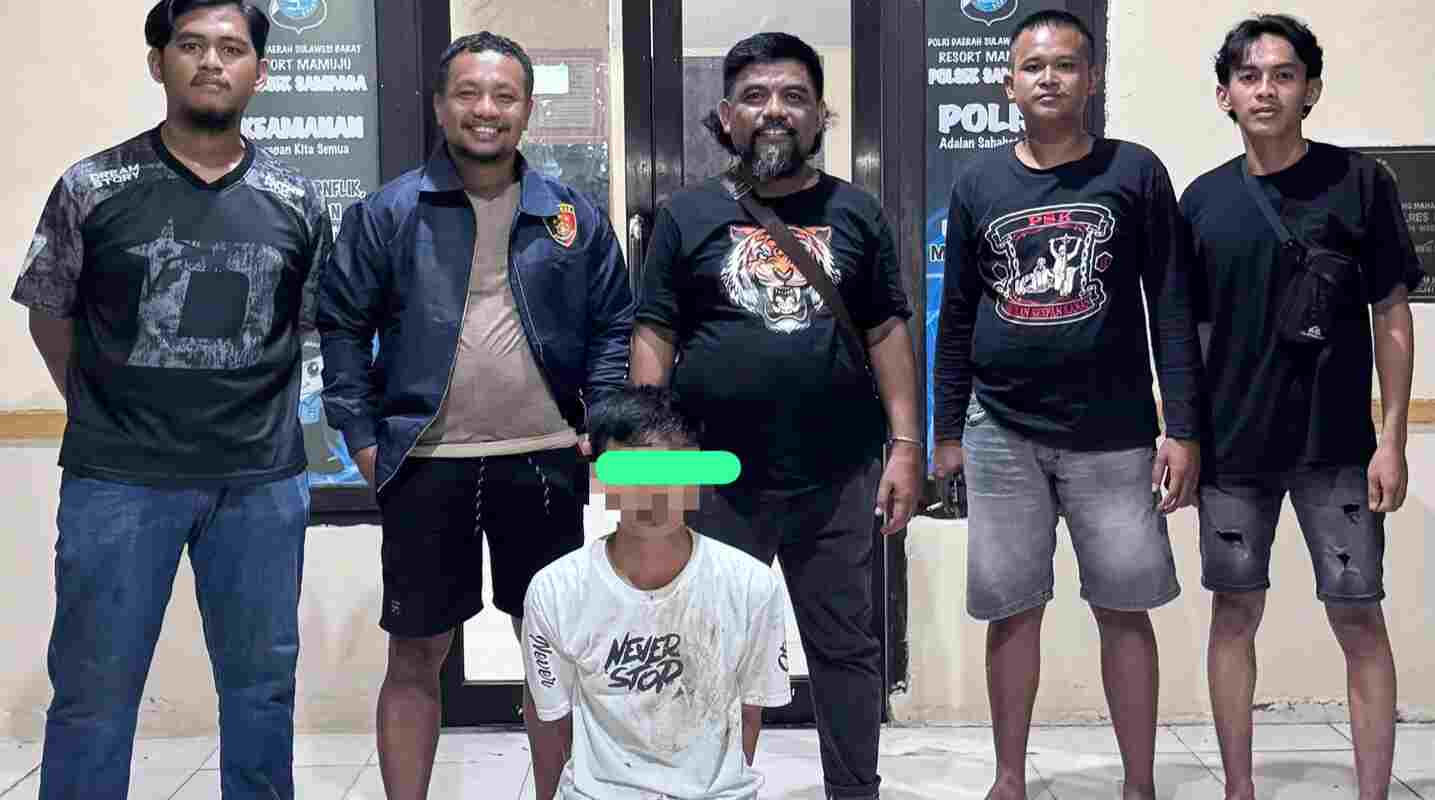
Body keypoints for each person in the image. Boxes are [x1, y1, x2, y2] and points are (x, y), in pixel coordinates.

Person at [10, 1, 329, 797]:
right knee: (93, 693)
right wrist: (103, 408)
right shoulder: (92, 185)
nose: (212, 62)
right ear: (159, 62)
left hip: (258, 482)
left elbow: (305, 326)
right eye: (191, 45)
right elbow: (50, 314)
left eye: (232, 48)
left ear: (260, 70)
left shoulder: (297, 198)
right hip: (118, 478)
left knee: (261, 693)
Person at [315, 31, 634, 800]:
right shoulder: (387, 212)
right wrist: (362, 439)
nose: (485, 109)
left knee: (552, 658)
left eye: (503, 95)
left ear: (526, 109)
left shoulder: (570, 215)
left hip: (544, 459)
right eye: (467, 92)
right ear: (439, 105)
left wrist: (602, 420)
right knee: (414, 655)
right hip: (425, 464)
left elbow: (613, 325)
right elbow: (342, 327)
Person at [628, 31, 921, 800]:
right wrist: (650, 459)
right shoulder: (686, 214)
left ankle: (854, 791)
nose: (774, 111)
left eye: (793, 96)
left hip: (838, 471)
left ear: (820, 114)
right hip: (715, 475)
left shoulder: (856, 212)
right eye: (755, 96)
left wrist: (905, 446)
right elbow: (653, 334)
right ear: (727, 116)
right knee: (707, 653)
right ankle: (709, 788)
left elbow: (886, 331)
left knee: (846, 649)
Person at [930, 10, 1203, 800]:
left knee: (1124, 609)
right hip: (999, 429)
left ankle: (1139, 784)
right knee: (1011, 611)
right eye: (1033, 66)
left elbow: (1170, 305)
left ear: (1092, 78)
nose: (1048, 78)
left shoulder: (1135, 172)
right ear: (1007, 84)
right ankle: (1009, 778)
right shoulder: (977, 183)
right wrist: (946, 430)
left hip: (1114, 432)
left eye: (1065, 64)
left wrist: (1182, 427)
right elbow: (957, 317)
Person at [1181, 15, 1422, 800]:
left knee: (1357, 617)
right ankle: (1237, 789)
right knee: (1233, 613)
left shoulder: (1359, 183)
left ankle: (1373, 792)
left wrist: (1391, 437)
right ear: (1224, 94)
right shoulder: (1202, 201)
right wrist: (1180, 433)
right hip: (1230, 448)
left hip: (1338, 446)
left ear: (1309, 89)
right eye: (1248, 76)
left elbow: (1390, 313)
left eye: (1283, 75)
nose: (1265, 90)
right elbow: (1187, 334)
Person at [522, 385, 792, 799]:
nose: (653, 493)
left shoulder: (751, 586)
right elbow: (555, 721)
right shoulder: (555, 591)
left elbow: (749, 713)